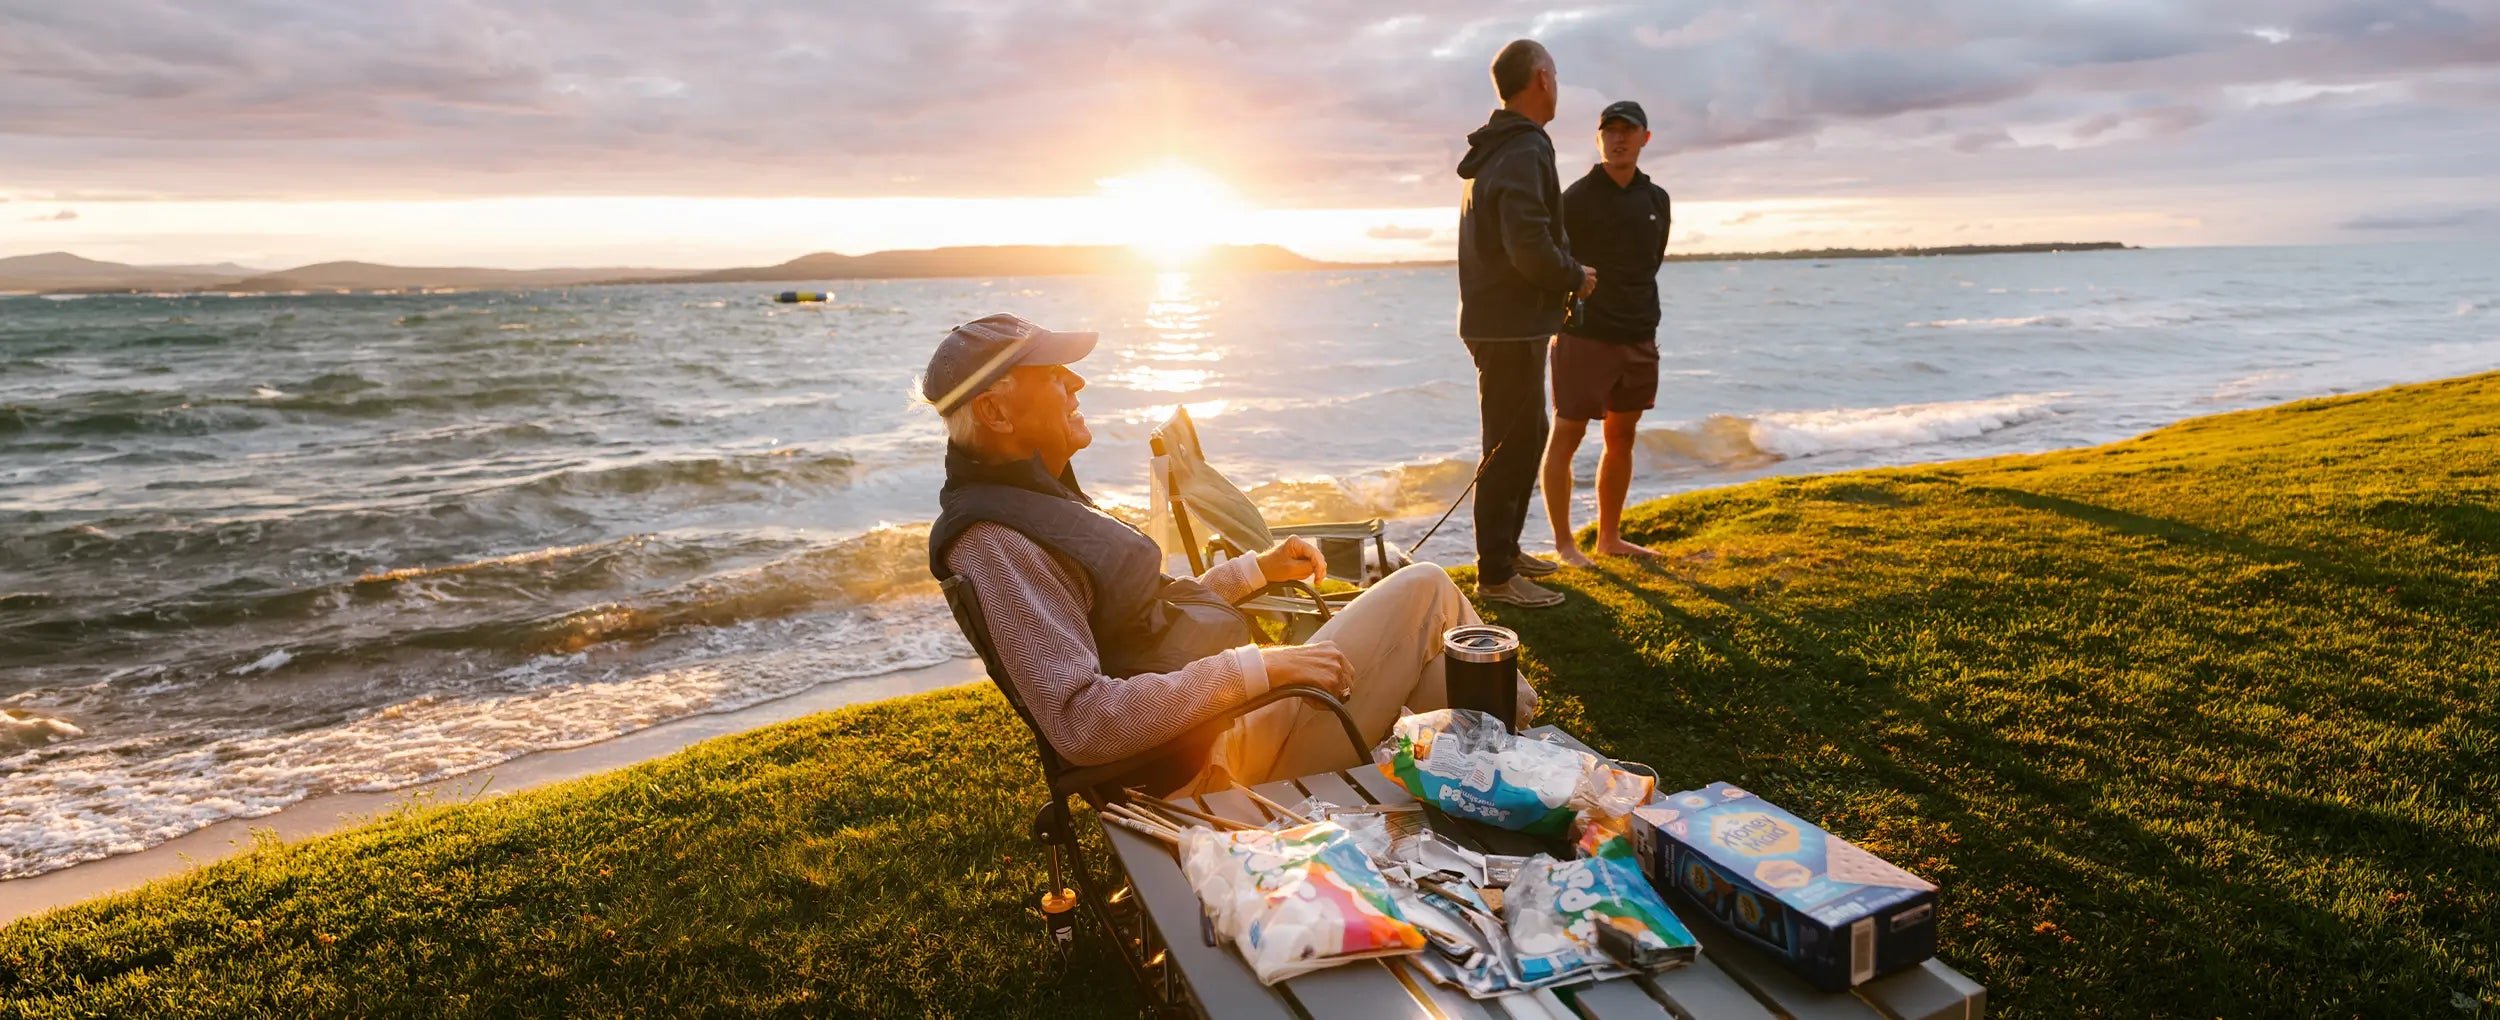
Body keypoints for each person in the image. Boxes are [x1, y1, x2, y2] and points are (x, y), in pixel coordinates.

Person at [922, 314, 1535, 795]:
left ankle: (1507, 769)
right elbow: (1084, 723)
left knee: (1448, 683)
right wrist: (1260, 668)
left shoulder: (1032, 502)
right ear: (995, 410)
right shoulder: (997, 541)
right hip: (1209, 766)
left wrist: (1255, 571)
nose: (1077, 383)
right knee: (1425, 588)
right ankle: (1525, 761)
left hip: (1228, 729)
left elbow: (1149, 619)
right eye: (1053, 373)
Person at [1456, 38, 1592, 609]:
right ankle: (1494, 576)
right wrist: (1573, 276)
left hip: (1507, 321)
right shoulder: (1521, 148)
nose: (1557, 84)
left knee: (1527, 434)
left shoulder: (1506, 145)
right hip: (1507, 324)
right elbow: (1527, 243)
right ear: (1540, 78)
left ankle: (1506, 554)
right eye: (1555, 74)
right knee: (1509, 445)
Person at [1541, 100, 1672, 565]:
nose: (1618, 139)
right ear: (1598, 139)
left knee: (1623, 437)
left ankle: (1609, 538)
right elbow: (1555, 262)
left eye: (1628, 131)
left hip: (1638, 332)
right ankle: (1564, 545)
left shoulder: (1657, 200)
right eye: (1609, 131)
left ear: (1644, 138)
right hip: (1584, 333)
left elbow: (1650, 262)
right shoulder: (1575, 198)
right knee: (1568, 435)